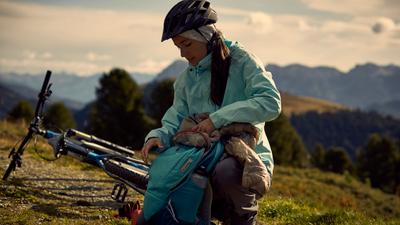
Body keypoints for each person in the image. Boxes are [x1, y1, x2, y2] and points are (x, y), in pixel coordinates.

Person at [141, 0, 281, 224]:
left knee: (224, 171)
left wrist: (217, 120)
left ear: (204, 36)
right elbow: (176, 116)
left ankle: (244, 218)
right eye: (178, 47)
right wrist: (159, 135)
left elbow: (270, 103)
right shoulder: (186, 80)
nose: (182, 54)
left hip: (245, 156)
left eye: (186, 44)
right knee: (176, 172)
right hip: (202, 154)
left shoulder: (243, 61)